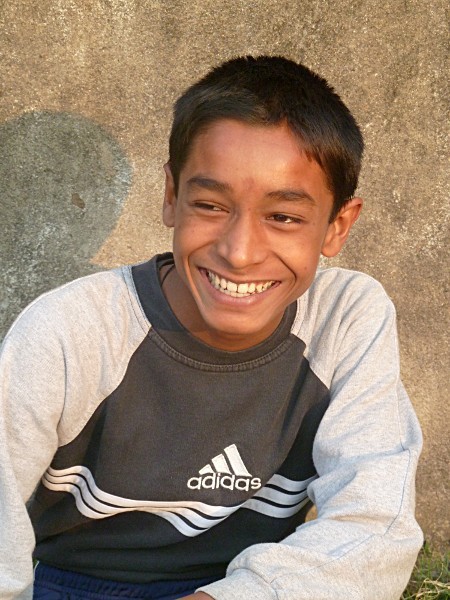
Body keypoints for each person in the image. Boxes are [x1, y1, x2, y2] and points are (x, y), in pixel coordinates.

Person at [0, 56, 423, 600]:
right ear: (171, 197)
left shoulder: (344, 318)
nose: (239, 253)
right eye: (210, 205)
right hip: (76, 583)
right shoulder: (71, 330)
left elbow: (374, 524)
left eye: (284, 217)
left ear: (337, 225)